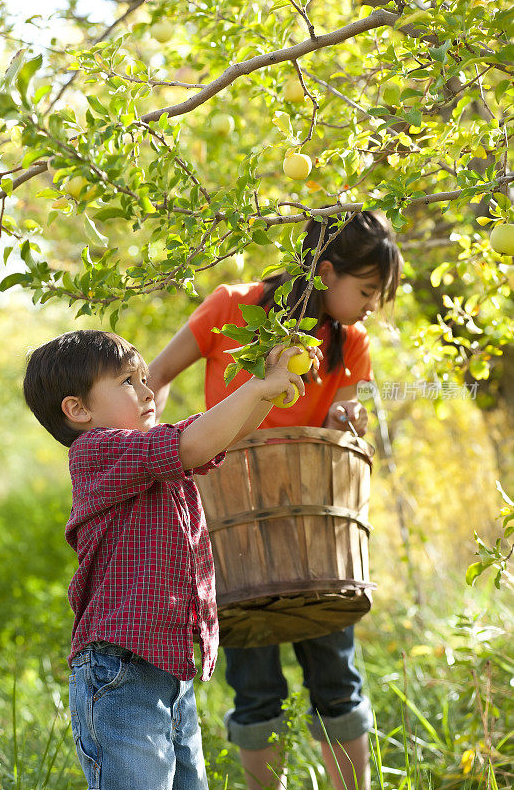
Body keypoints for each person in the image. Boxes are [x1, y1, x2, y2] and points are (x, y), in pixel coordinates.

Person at [147, 210, 403, 790]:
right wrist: (147, 452)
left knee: (336, 675)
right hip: (233, 527)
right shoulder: (230, 309)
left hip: (311, 530)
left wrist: (346, 418)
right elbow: (157, 374)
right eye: (364, 291)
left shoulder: (351, 343)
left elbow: (341, 422)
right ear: (327, 270)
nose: (369, 307)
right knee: (255, 684)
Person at [23, 328, 318, 790]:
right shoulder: (98, 452)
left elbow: (220, 434)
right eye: (127, 382)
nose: (146, 390)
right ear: (78, 409)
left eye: (144, 379)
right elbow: (196, 443)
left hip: (165, 673)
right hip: (119, 671)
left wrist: (268, 385)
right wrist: (258, 387)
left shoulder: (149, 451)